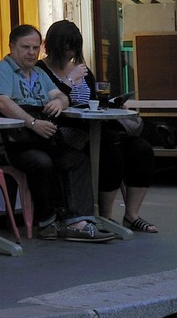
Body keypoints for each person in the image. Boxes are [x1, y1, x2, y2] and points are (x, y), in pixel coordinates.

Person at [0, 24, 111, 243]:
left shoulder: (39, 73)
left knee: (76, 159)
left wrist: (59, 102)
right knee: (42, 162)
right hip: (11, 143)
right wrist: (33, 123)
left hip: (41, 137)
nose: (31, 53)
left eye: (35, 48)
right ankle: (47, 221)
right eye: (25, 47)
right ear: (12, 47)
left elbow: (61, 95)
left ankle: (79, 222)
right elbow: (2, 102)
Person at [40, 20, 158, 233]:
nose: (69, 52)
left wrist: (110, 104)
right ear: (53, 46)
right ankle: (105, 214)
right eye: (65, 47)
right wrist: (68, 79)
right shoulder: (42, 71)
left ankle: (131, 215)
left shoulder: (82, 70)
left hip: (95, 127)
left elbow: (93, 97)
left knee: (141, 149)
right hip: (66, 130)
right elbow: (50, 104)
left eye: (74, 47)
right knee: (109, 153)